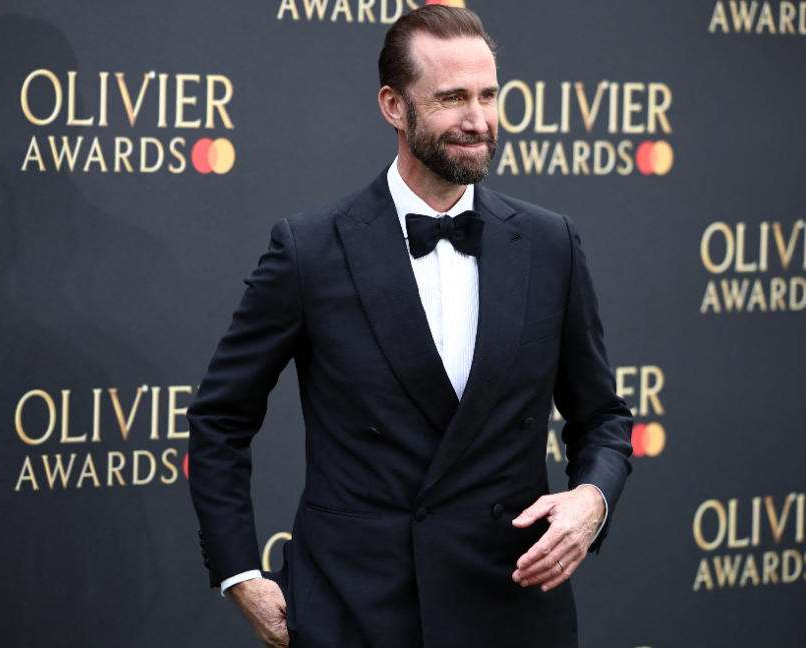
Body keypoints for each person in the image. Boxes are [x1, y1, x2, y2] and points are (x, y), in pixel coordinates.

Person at [188, 6, 633, 648]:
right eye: (452, 98)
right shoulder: (310, 248)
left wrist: (593, 498)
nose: (478, 120)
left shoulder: (548, 243)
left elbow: (603, 418)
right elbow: (220, 418)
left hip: (511, 607)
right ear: (394, 106)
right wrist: (239, 575)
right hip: (356, 612)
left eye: (488, 95)